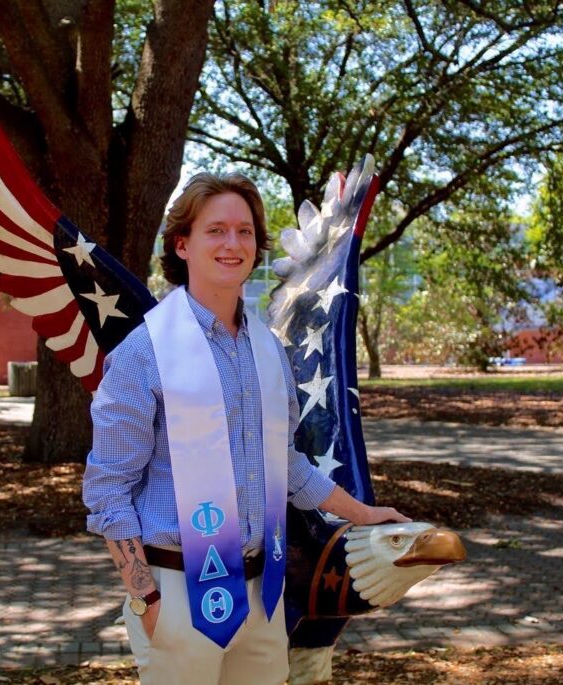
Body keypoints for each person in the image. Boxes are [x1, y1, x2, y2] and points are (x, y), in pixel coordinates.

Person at [83, 172, 410, 685]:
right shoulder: (143, 354)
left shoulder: (268, 351)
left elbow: (290, 467)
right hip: (178, 592)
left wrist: (364, 513)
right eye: (216, 231)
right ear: (182, 244)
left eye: (245, 232)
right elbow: (108, 492)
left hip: (263, 592)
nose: (232, 244)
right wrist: (144, 596)